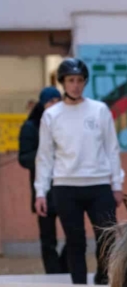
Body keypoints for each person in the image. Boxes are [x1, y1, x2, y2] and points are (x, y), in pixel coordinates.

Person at [35, 58, 124, 287]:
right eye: (70, 80)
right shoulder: (51, 115)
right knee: (74, 244)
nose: (75, 85)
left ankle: (102, 283)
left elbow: (112, 148)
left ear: (85, 83)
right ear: (62, 83)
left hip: (98, 185)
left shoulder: (99, 110)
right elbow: (45, 155)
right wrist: (41, 190)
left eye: (80, 80)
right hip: (65, 187)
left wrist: (116, 183)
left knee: (106, 241)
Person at [18, 87, 68, 275]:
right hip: (43, 189)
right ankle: (53, 274)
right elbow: (24, 158)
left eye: (57, 100)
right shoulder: (31, 127)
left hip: (66, 186)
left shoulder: (66, 123)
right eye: (50, 101)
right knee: (48, 239)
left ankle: (64, 269)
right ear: (42, 104)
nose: (54, 105)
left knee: (73, 235)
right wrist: (46, 157)